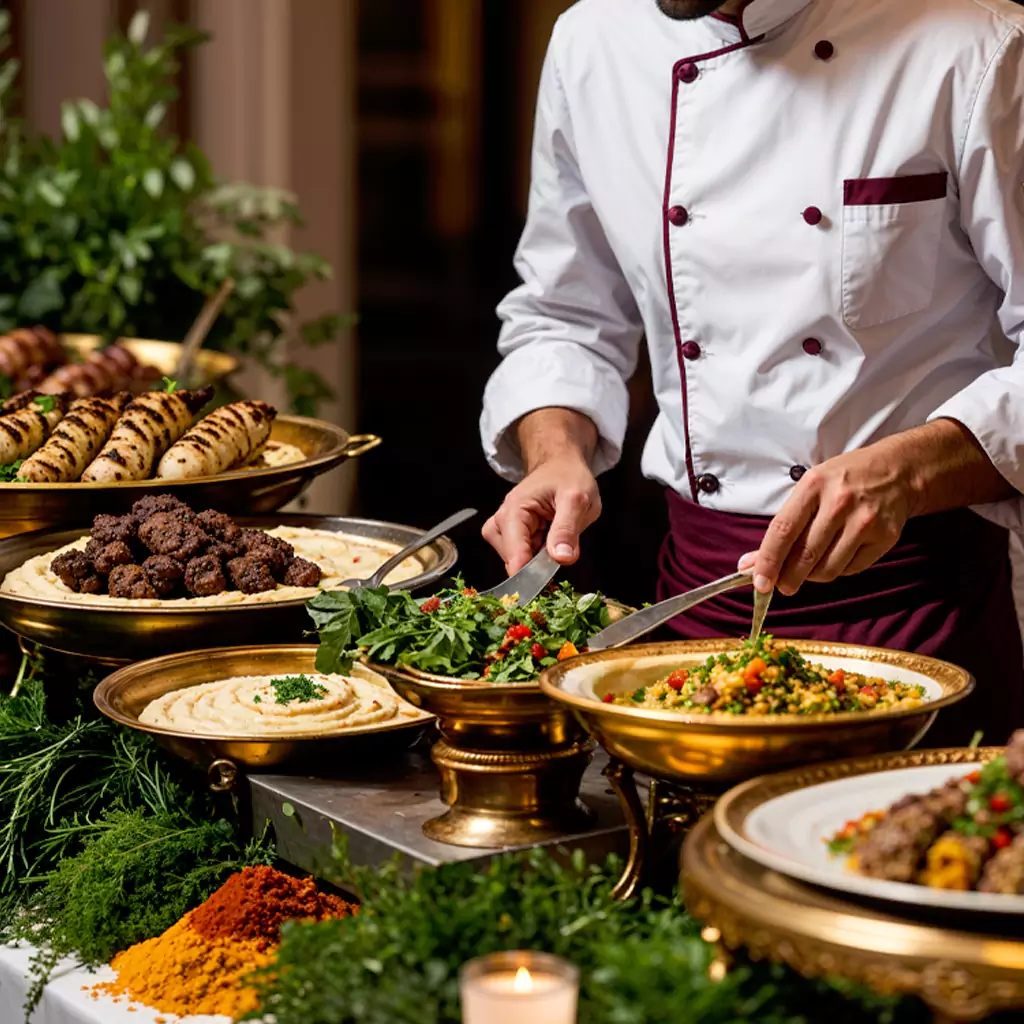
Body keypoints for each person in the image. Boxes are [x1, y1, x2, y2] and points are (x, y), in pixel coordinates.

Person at [478, 0, 1024, 745]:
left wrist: (909, 472)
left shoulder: (981, 47)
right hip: (692, 612)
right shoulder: (593, 40)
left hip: (918, 618)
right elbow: (564, 313)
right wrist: (555, 453)